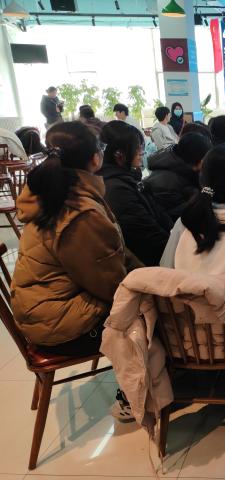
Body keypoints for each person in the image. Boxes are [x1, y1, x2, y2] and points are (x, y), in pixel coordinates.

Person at [10, 121, 136, 420]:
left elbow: (112, 257)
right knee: (143, 311)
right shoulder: (79, 213)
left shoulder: (54, 192)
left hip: (43, 309)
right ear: (95, 158)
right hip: (57, 324)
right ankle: (134, 395)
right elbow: (110, 285)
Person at [98, 121, 173, 266]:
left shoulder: (127, 177)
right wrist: (175, 249)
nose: (141, 152)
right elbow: (144, 233)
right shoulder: (117, 189)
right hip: (153, 261)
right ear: (119, 154)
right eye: (137, 148)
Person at [144, 132, 212, 220]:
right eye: (206, 157)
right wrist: (202, 197)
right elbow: (178, 216)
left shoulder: (187, 168)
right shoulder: (166, 182)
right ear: (198, 158)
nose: (208, 162)